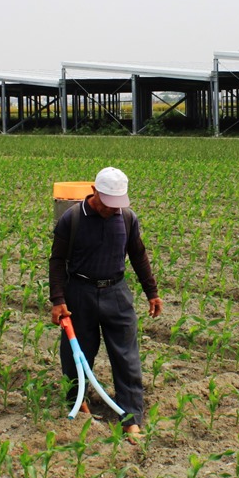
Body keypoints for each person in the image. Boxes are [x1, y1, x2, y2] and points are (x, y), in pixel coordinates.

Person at [49, 166, 163, 436]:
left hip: (116, 292)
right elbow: (57, 260)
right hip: (80, 291)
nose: (112, 209)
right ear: (94, 192)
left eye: (118, 204)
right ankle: (78, 404)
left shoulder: (126, 218)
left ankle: (131, 417)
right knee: (77, 354)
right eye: (108, 203)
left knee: (127, 356)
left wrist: (152, 292)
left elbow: (138, 255)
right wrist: (57, 299)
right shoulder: (72, 218)